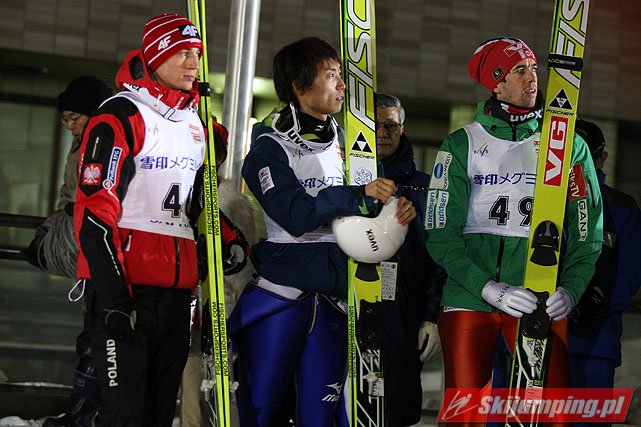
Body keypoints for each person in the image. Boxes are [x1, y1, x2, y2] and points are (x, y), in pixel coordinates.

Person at [228, 36, 416, 427]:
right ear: (300, 86)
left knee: (322, 416)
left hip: (336, 298)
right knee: (260, 412)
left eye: (340, 76)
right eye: (331, 76)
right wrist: (356, 196)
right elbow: (294, 213)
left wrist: (393, 215)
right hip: (281, 296)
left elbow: (364, 213)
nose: (342, 85)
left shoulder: (350, 144)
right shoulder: (268, 147)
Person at [425, 37, 603, 426]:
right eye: (518, 70)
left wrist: (571, 288)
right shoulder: (461, 144)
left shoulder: (567, 145)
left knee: (551, 414)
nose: (532, 78)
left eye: (534, 68)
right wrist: (488, 286)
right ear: (496, 83)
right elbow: (440, 233)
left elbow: (587, 233)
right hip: (470, 294)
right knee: (464, 414)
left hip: (538, 293)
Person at [73, 14, 205, 427]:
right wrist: (113, 298)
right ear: (155, 55)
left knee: (160, 414)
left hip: (177, 294)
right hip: (127, 291)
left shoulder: (196, 123)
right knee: (124, 416)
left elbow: (192, 207)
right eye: (181, 52)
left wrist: (227, 237)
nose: (192, 62)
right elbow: (93, 210)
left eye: (197, 53)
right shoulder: (120, 114)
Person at [23, 75, 112, 427]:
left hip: (107, 257)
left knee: (99, 341)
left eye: (75, 118)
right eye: (66, 121)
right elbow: (68, 196)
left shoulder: (107, 144)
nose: (70, 127)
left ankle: (92, 415)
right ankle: (84, 413)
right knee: (90, 338)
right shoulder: (80, 146)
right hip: (85, 255)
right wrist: (52, 229)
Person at [374, 93, 443, 426]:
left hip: (403, 317)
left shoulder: (425, 190)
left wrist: (433, 317)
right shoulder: (340, 179)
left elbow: (440, 260)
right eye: (376, 125)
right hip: (344, 311)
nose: (384, 133)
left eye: (391, 125)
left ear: (403, 129)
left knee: (397, 409)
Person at [568, 119, 641, 427]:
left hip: (596, 339)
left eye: (585, 153)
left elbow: (629, 272)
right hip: (545, 334)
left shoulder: (621, 207)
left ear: (601, 158)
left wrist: (595, 299)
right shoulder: (545, 201)